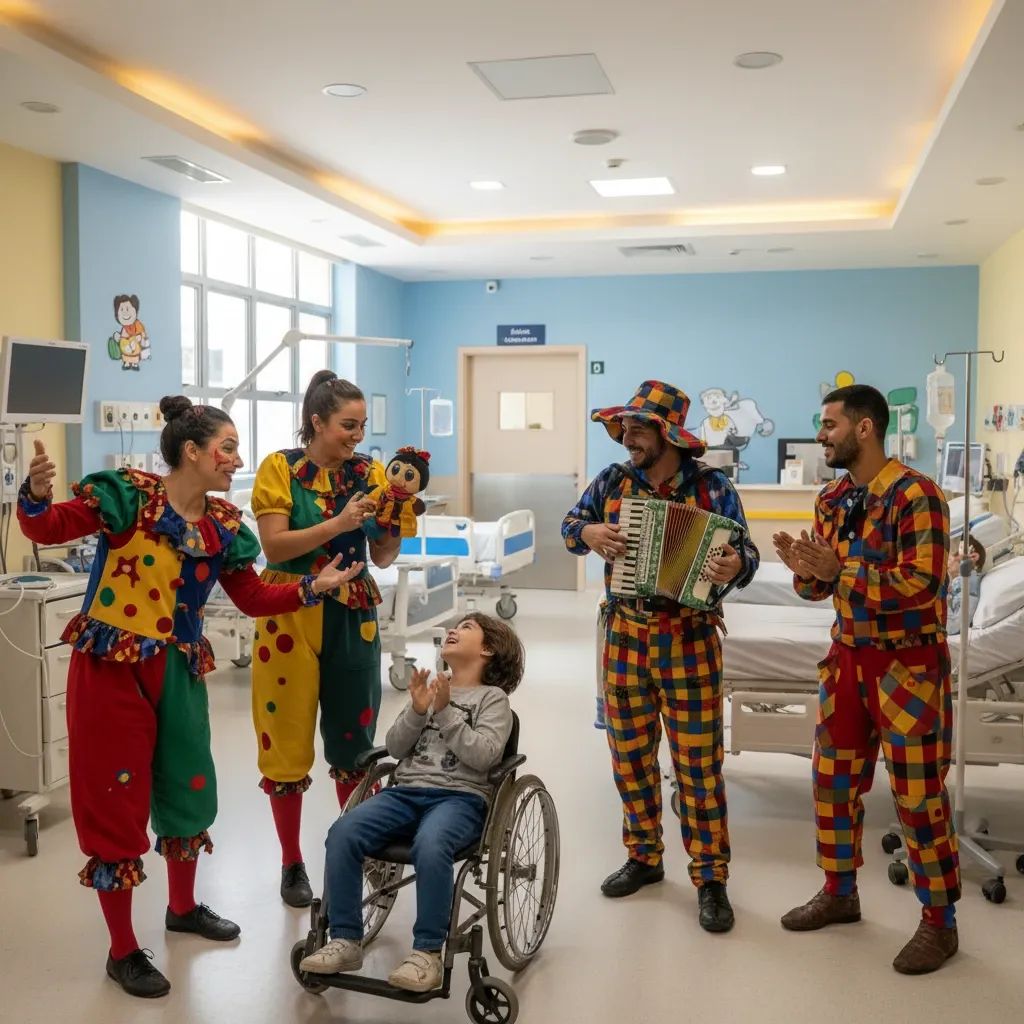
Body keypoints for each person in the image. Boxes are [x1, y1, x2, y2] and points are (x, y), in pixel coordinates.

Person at [16, 398, 361, 999]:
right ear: (192, 452)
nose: (237, 459)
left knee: (189, 783)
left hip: (177, 668)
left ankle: (182, 907)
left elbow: (251, 596)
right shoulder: (128, 496)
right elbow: (47, 530)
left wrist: (311, 587)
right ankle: (121, 949)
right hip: (112, 668)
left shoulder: (222, 525)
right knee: (115, 799)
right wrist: (36, 496)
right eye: (227, 447)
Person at [774, 383, 960, 975]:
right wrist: (806, 571)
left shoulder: (917, 496)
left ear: (864, 428)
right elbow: (822, 589)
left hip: (909, 666)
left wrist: (841, 568)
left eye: (828, 424)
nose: (820, 434)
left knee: (919, 799)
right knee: (831, 785)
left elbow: (923, 585)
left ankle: (939, 924)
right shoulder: (832, 499)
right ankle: (840, 893)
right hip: (848, 660)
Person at [561, 380, 758, 933]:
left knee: (698, 766)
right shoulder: (611, 482)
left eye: (638, 429)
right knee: (629, 759)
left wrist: (731, 566)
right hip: (624, 636)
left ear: (668, 435)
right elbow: (570, 527)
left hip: (690, 638)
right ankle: (645, 857)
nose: (627, 438)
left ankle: (711, 877)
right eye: (624, 428)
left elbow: (747, 553)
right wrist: (591, 532)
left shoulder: (712, 487)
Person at [299, 612, 524, 992]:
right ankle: (346, 938)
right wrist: (418, 710)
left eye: (466, 628)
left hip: (460, 799)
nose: (453, 630)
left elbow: (485, 755)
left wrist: (446, 712)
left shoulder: (493, 700)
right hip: (405, 792)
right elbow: (398, 746)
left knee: (431, 844)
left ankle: (427, 953)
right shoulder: (433, 689)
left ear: (487, 649)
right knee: (343, 833)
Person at [249, 371, 401, 908]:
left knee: (354, 743)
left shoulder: (370, 472)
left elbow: (381, 557)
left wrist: (391, 522)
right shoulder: (281, 469)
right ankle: (292, 861)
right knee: (285, 743)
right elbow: (273, 546)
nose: (357, 436)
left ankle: (365, 850)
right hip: (290, 610)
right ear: (317, 421)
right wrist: (338, 525)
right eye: (347, 425)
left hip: (352, 612)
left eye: (362, 426)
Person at [946, 538, 984, 636]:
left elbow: (953, 627)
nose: (954, 558)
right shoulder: (959, 583)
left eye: (961, 549)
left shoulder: (970, 582)